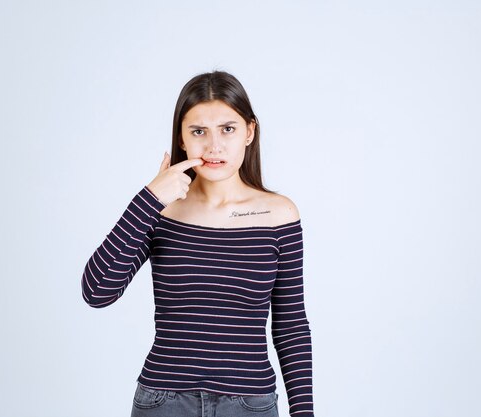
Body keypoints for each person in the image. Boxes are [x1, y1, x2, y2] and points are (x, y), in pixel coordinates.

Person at [81, 70, 315, 417]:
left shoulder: (278, 215)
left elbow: (290, 323)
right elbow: (97, 291)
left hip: (249, 405)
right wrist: (147, 199)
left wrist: (304, 412)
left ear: (249, 132)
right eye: (198, 131)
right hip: (164, 402)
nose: (214, 146)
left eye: (228, 129)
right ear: (182, 138)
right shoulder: (160, 211)